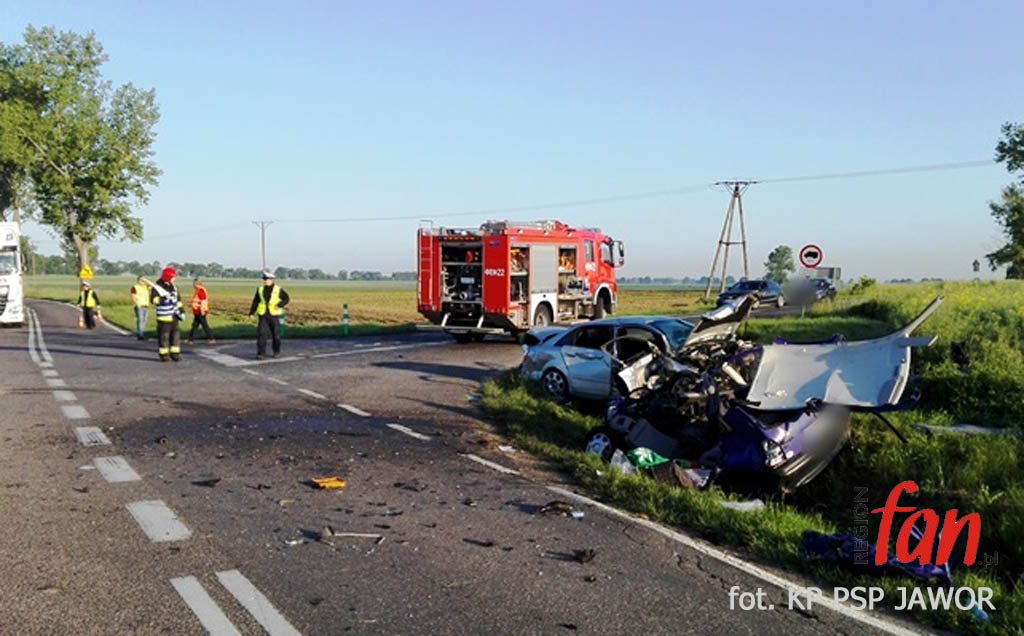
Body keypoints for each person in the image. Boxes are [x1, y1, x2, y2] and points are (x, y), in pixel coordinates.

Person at [248, 270, 289, 359]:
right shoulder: (260, 289)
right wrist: (252, 312)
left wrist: (280, 305)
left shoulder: (278, 289)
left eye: (268, 279)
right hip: (263, 315)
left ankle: (276, 351)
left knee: (276, 335)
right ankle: (261, 353)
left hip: (274, 315)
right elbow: (256, 301)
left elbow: (286, 298)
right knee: (261, 334)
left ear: (272, 280)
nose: (266, 281)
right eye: (265, 279)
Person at [151, 267, 185, 362]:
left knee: (175, 337)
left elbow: (178, 301)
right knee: (164, 337)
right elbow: (153, 300)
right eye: (173, 277)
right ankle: (164, 355)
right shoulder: (157, 288)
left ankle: (175, 354)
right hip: (164, 318)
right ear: (168, 277)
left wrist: (181, 311)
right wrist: (164, 299)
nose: (174, 279)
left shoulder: (174, 287)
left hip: (174, 316)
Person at [186, 278, 215, 344]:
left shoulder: (201, 290)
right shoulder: (198, 290)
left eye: (194, 284)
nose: (193, 285)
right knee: (195, 325)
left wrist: (202, 310)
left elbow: (203, 301)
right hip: (197, 311)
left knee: (204, 325)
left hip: (200, 311)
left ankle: (211, 338)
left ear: (196, 284)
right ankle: (190, 339)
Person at [129, 276, 150, 340]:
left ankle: (141, 332)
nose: (143, 281)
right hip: (139, 305)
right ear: (138, 280)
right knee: (140, 320)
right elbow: (133, 296)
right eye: (141, 280)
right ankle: (140, 334)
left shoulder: (146, 287)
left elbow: (154, 286)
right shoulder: (135, 287)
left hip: (146, 305)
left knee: (144, 320)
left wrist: (146, 280)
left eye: (143, 280)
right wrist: (137, 304)